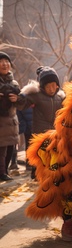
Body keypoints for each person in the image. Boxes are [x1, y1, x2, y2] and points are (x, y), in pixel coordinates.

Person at [16, 66, 65, 179]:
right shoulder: (37, 96)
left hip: (54, 131)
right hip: (40, 132)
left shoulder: (60, 97)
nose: (51, 89)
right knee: (40, 154)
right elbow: (22, 104)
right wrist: (18, 99)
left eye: (54, 85)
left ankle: (51, 174)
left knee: (52, 154)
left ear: (57, 85)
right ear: (43, 87)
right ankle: (36, 173)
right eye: (48, 86)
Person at [0, 51, 20, 181]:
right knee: (1, 150)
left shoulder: (14, 83)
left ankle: (4, 172)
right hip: (1, 121)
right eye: (1, 62)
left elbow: (22, 102)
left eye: (7, 61)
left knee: (10, 148)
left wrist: (17, 98)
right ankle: (2, 173)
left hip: (12, 121)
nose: (4, 64)